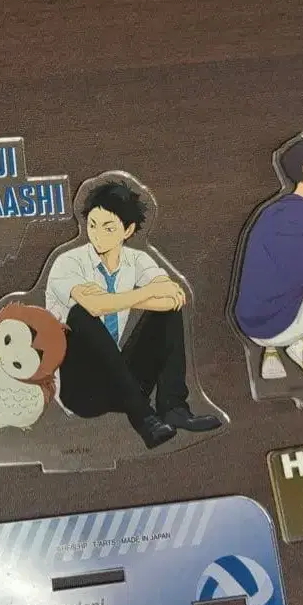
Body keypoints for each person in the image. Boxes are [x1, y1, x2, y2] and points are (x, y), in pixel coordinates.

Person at [45, 180, 221, 449]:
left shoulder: (136, 259)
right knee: (80, 315)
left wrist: (118, 300)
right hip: (81, 390)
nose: (97, 235)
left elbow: (172, 297)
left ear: (127, 230)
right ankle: (144, 419)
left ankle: (173, 407)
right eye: (92, 225)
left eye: (108, 228)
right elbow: (94, 307)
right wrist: (145, 294)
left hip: (122, 383)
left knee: (169, 312)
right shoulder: (68, 262)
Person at [233, 136, 303, 379]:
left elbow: (278, 267)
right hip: (277, 322)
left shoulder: (274, 210)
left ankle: (272, 352)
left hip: (250, 321)